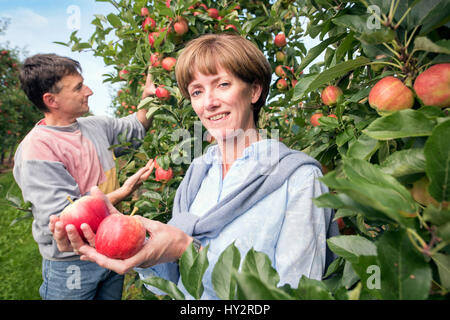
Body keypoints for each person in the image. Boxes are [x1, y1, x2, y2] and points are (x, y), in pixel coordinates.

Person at [52, 34, 339, 300]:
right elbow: (171, 281)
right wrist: (134, 243)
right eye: (197, 91)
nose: (209, 103)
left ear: (254, 91)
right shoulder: (199, 173)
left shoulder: (300, 179)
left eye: (223, 85)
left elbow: (298, 293)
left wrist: (189, 250)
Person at [13, 53, 156, 300]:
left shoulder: (95, 126)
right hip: (73, 262)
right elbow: (66, 220)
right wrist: (124, 192)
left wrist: (150, 89)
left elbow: (137, 125)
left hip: (111, 248)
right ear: (51, 100)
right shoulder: (37, 149)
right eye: (78, 87)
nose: (89, 91)